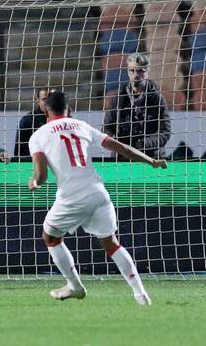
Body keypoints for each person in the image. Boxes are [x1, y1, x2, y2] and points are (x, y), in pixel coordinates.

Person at [28, 90, 167, 306]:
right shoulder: (82, 126)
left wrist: (34, 182)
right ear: (69, 109)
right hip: (98, 192)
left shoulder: (38, 136)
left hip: (71, 196)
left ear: (46, 109)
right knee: (112, 244)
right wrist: (151, 160)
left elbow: (42, 176)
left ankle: (75, 286)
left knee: (51, 237)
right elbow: (120, 147)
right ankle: (141, 295)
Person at [103, 52, 171, 159]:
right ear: (128, 72)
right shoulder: (118, 98)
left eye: (140, 71)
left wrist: (143, 144)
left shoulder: (157, 99)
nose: (136, 75)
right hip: (122, 157)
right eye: (132, 70)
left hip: (152, 157)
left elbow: (165, 133)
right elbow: (106, 128)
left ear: (148, 72)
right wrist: (115, 141)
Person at [14, 87, 51, 160]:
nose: (48, 102)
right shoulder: (28, 120)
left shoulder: (60, 120)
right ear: (38, 101)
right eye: (45, 99)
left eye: (51, 99)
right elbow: (19, 151)